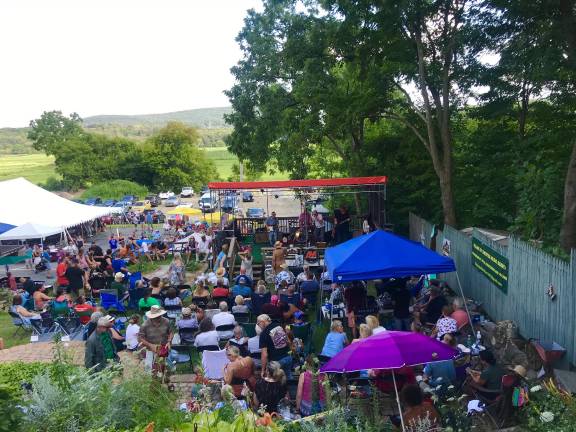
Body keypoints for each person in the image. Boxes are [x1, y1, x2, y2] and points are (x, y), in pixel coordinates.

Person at [257, 314, 292, 379]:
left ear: (262, 322)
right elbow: (288, 341)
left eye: (258, 324)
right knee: (289, 378)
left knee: (276, 382)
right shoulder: (278, 325)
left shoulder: (263, 334)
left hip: (277, 362)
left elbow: (264, 355)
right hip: (288, 357)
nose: (258, 326)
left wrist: (263, 370)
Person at [138, 305, 172, 371]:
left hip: (163, 347)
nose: (158, 317)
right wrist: (150, 345)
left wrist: (169, 341)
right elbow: (140, 338)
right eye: (156, 316)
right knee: (149, 368)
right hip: (150, 349)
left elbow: (170, 332)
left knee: (163, 366)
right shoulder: (145, 325)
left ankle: (163, 377)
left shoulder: (166, 321)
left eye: (159, 315)